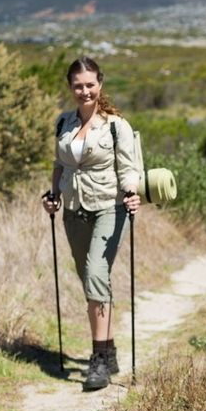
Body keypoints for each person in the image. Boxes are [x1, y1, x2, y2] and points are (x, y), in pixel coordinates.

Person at [42, 57, 142, 390]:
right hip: (73, 209)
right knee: (88, 279)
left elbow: (128, 168)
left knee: (98, 273)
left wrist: (131, 191)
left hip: (109, 208)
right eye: (77, 85)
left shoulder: (116, 125)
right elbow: (60, 164)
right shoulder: (63, 122)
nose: (84, 91)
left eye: (89, 84)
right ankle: (109, 348)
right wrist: (52, 193)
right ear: (70, 87)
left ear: (100, 84)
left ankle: (98, 360)